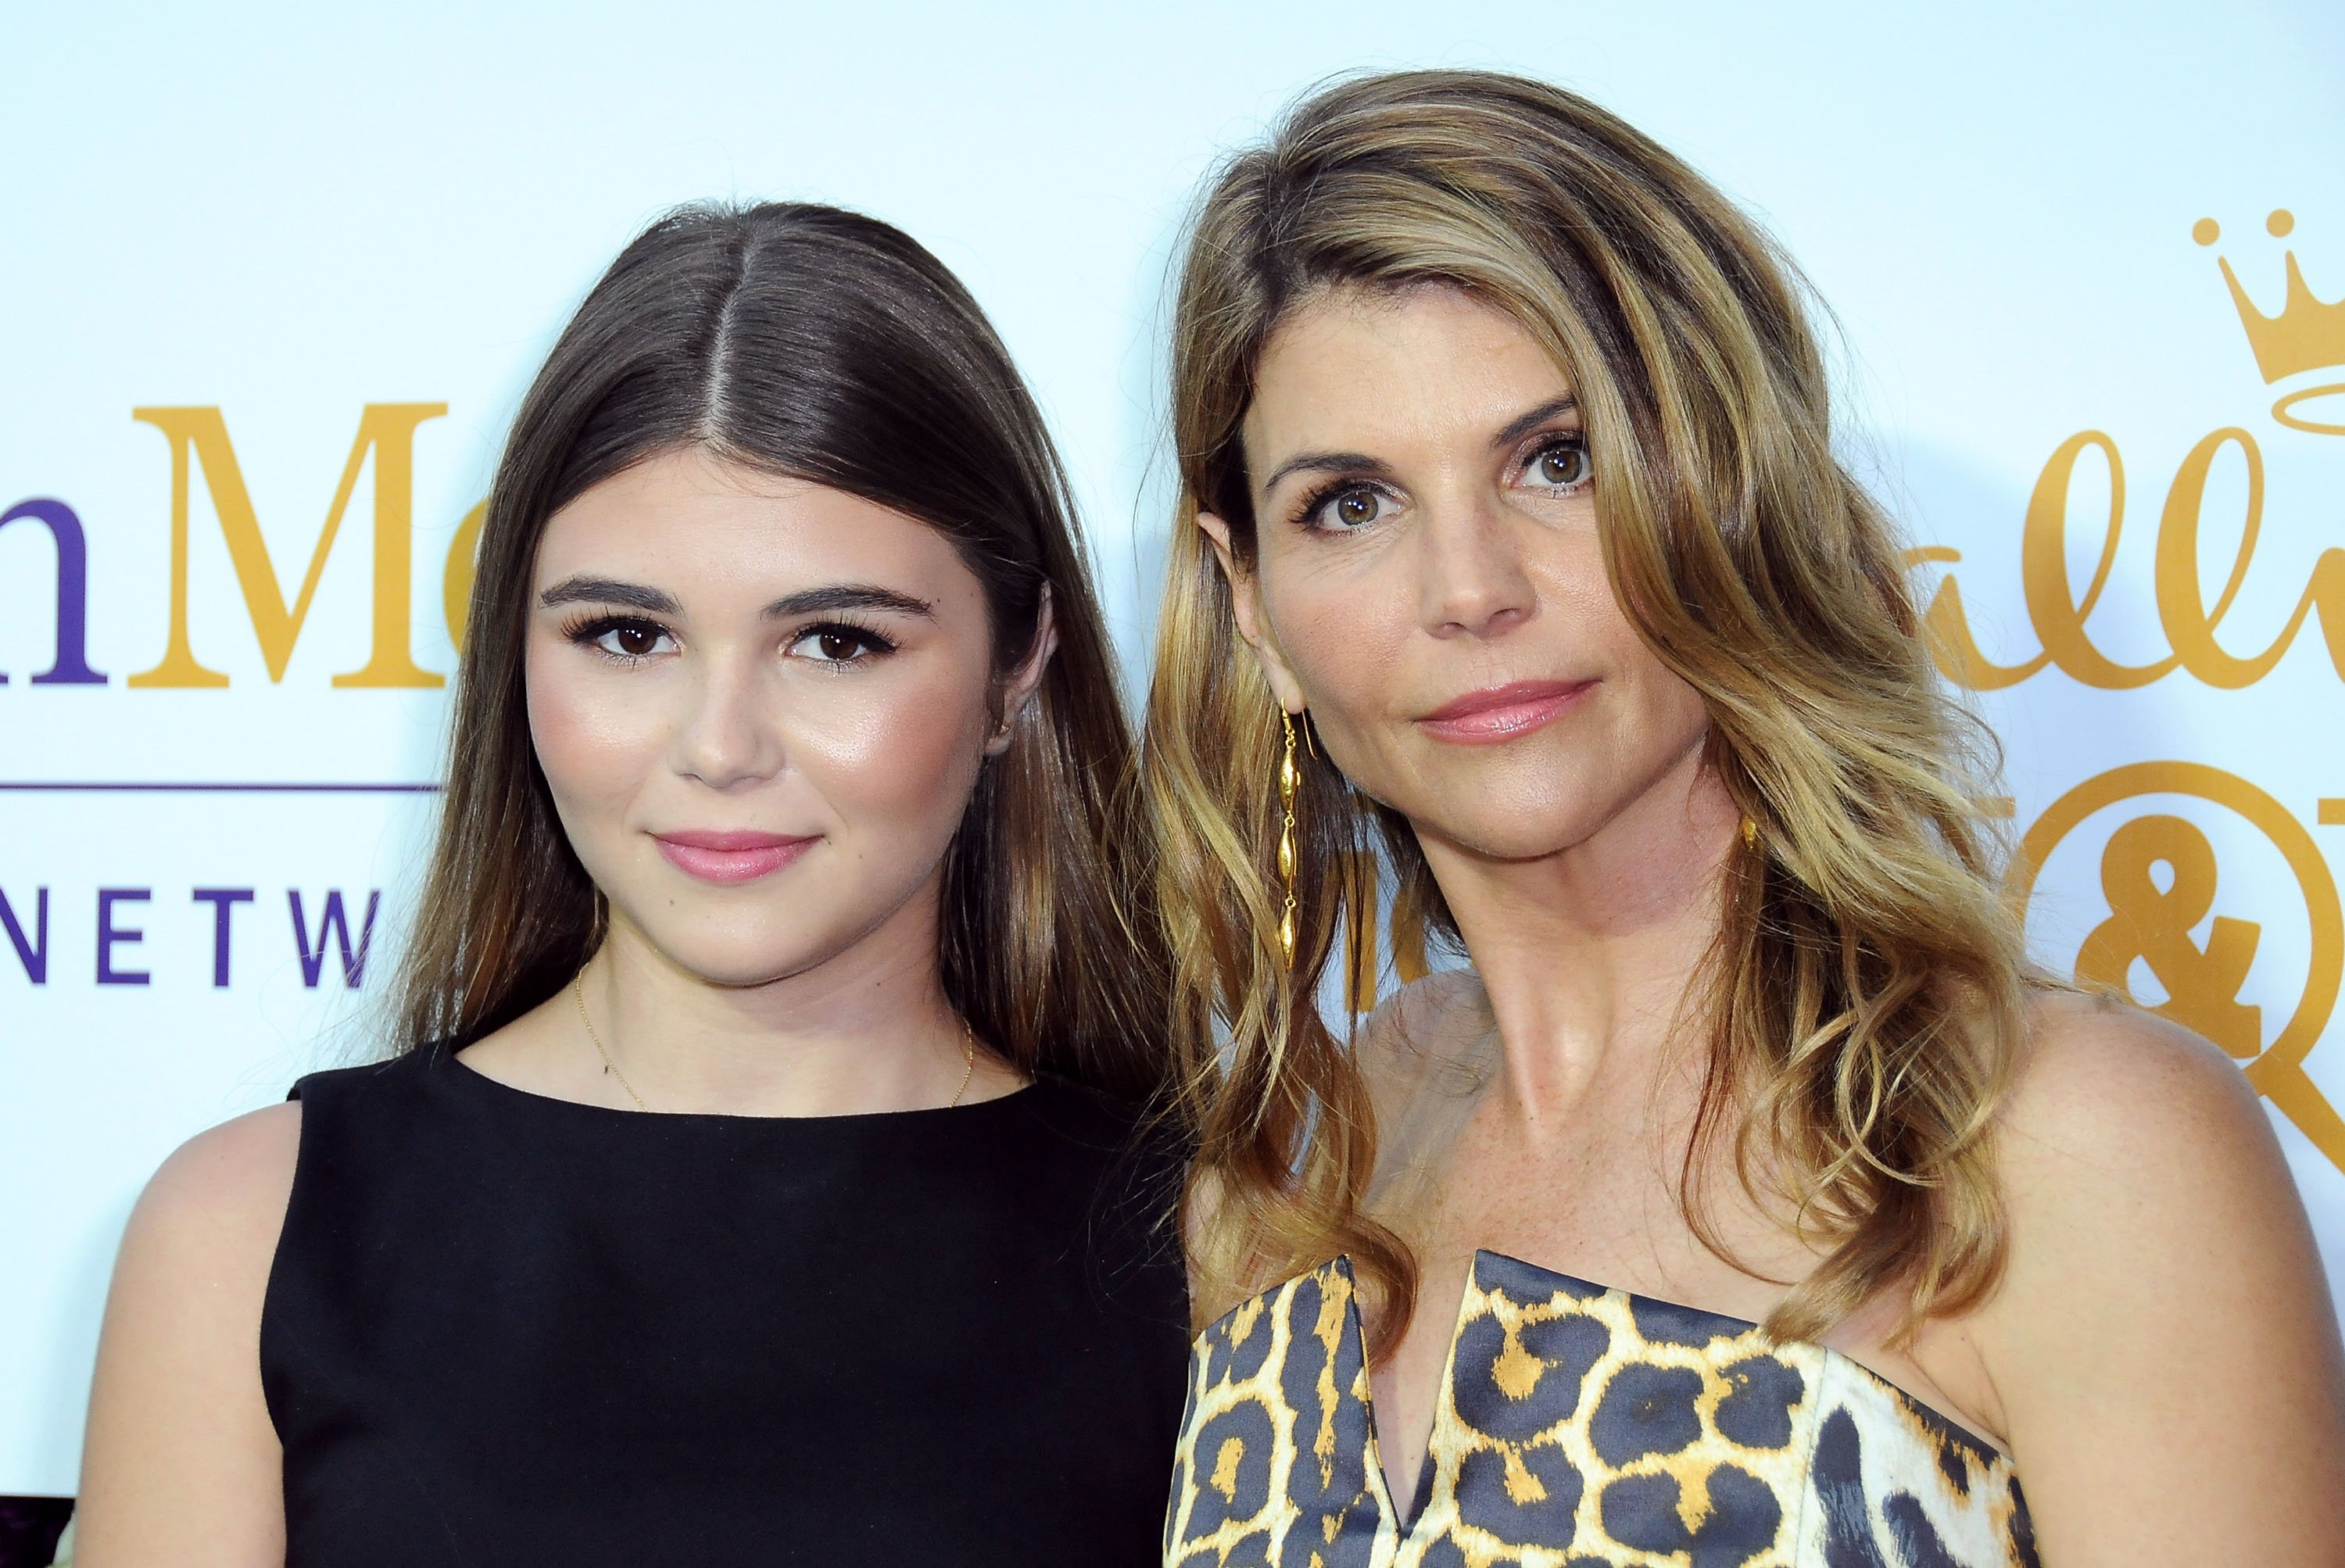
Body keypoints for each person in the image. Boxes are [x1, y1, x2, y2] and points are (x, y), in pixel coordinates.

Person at [1146, 70, 2345, 1566]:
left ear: (1734, 494)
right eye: (1349, 503)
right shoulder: (1298, 1169)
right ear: (1249, 597)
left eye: (1557, 460)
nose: (1470, 587)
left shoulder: (2058, 1149)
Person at [76, 202, 1188, 1566]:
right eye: (626, 634)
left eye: (836, 642)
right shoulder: (248, 1230)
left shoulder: (1210, 1245)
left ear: (1018, 669)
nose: (719, 748)